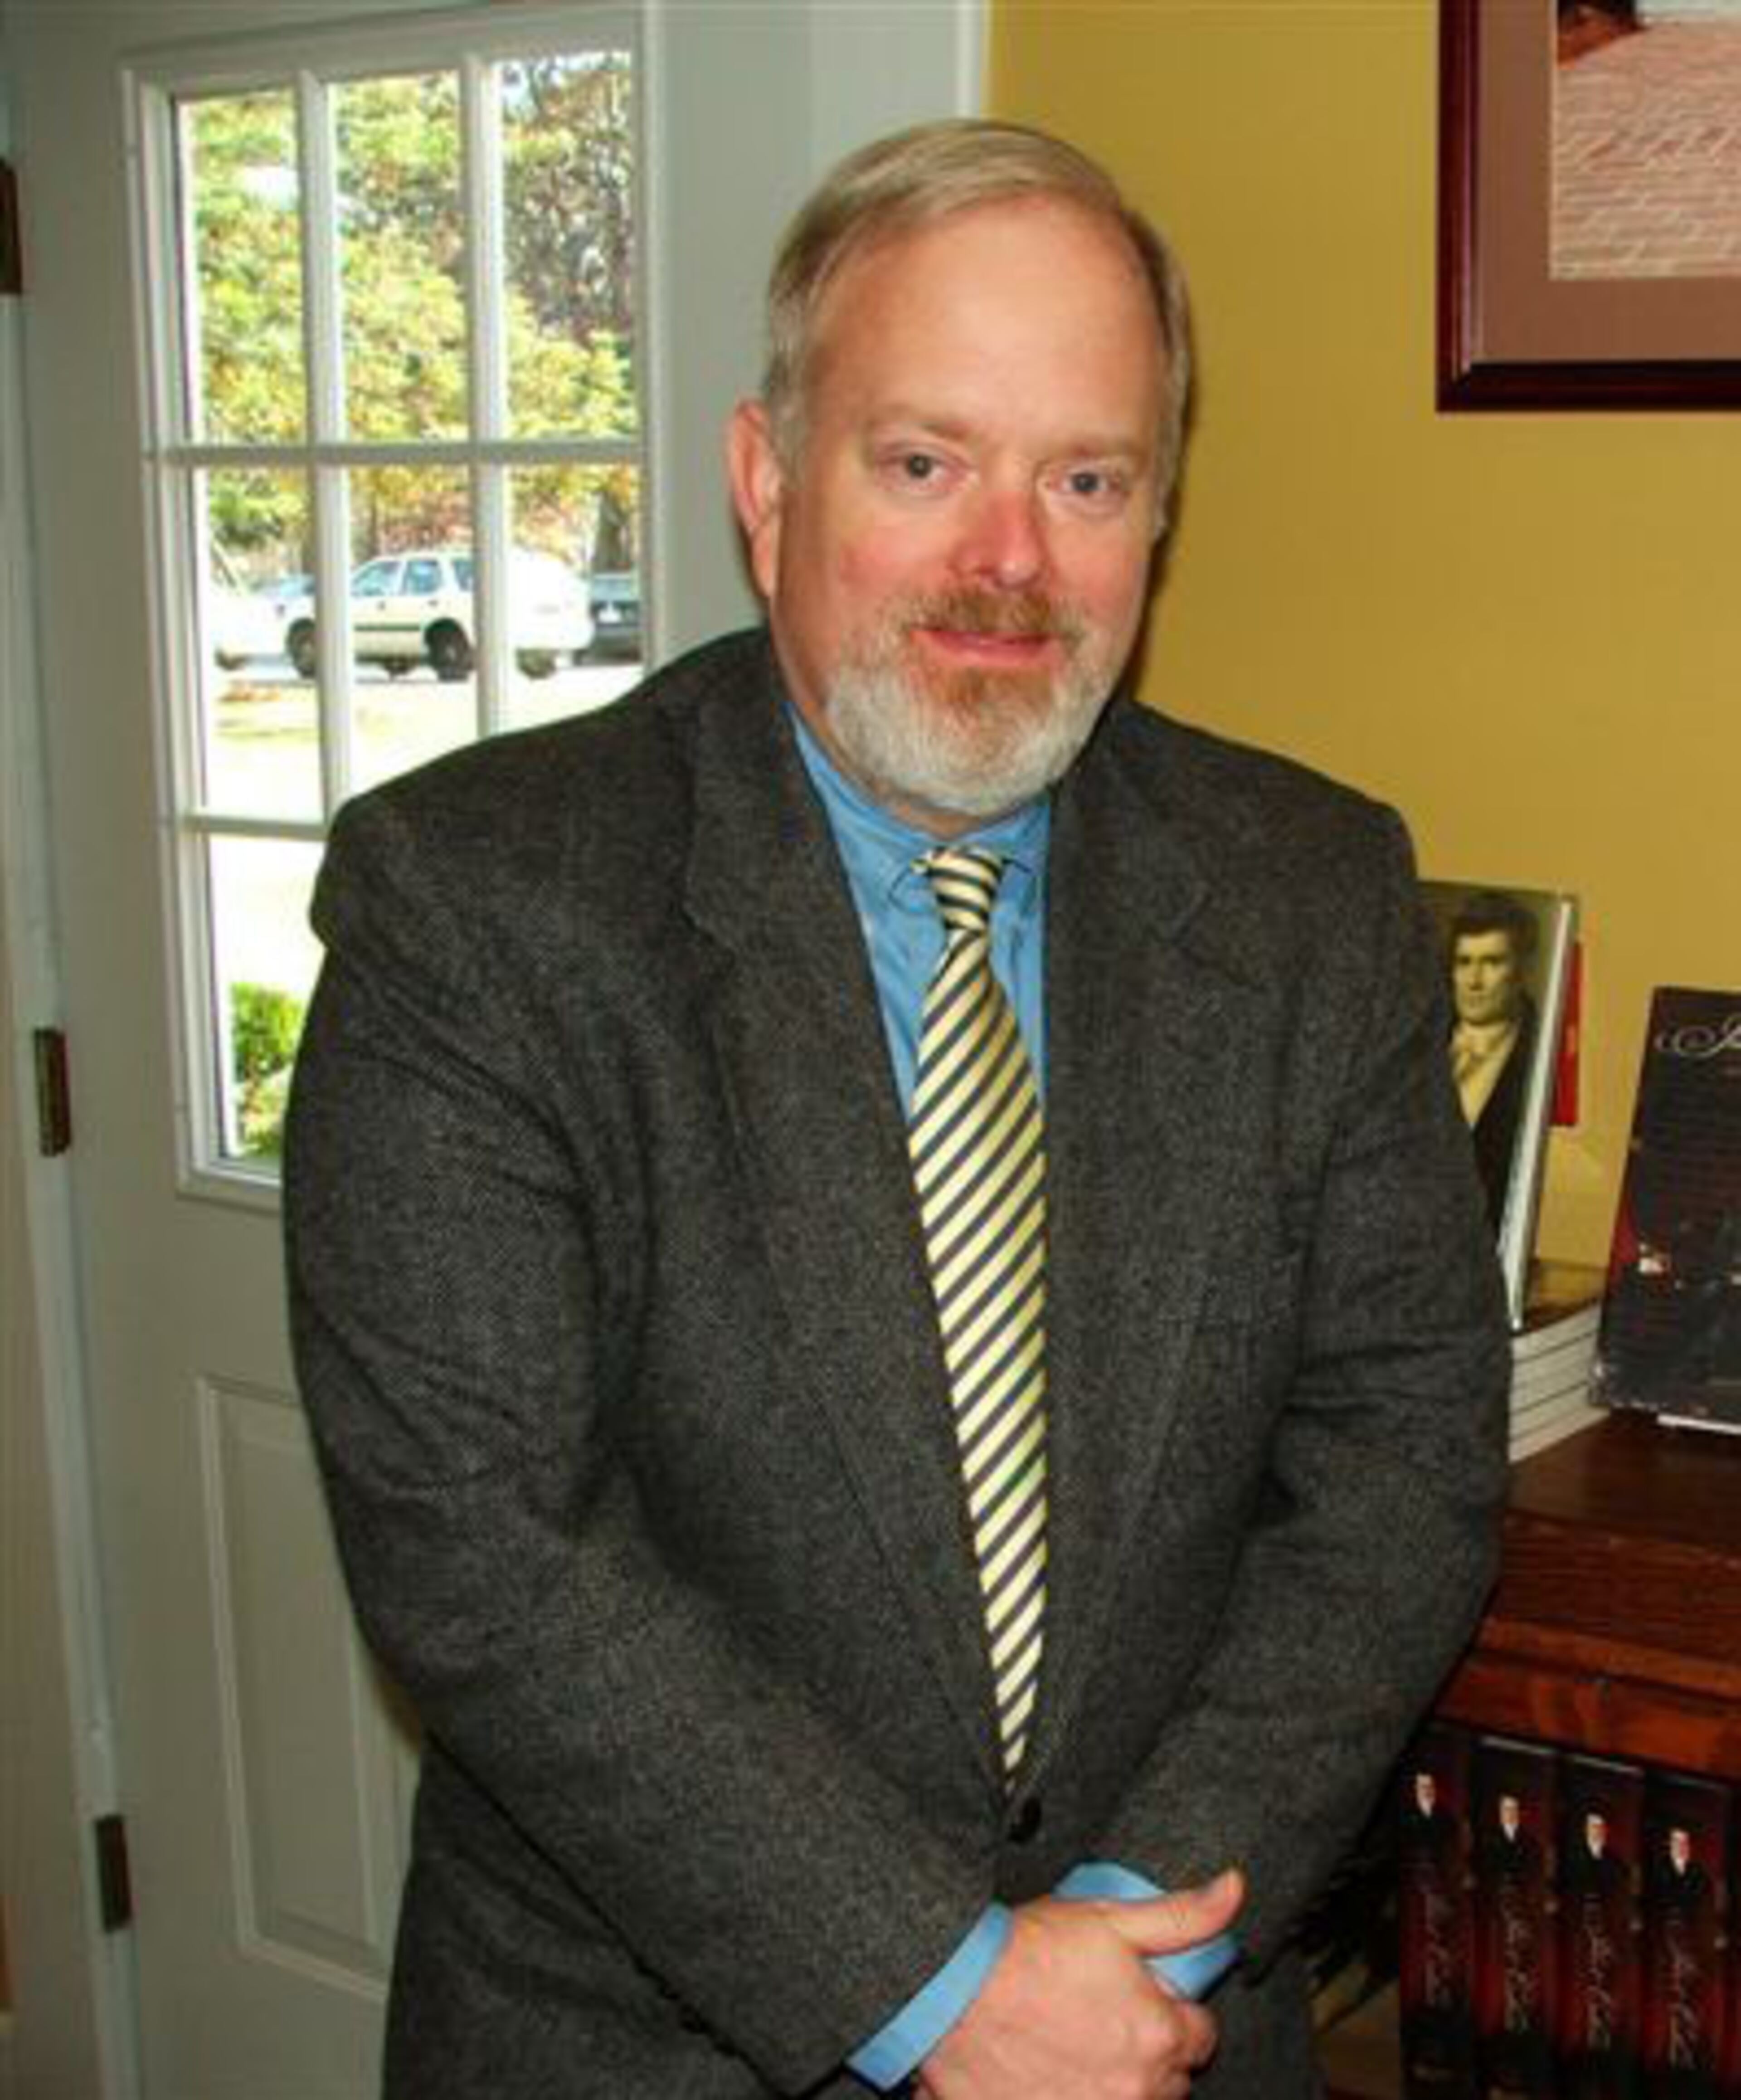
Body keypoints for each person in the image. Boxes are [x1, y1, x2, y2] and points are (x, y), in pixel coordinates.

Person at [284, 119, 1508, 2100]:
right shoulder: (480, 905)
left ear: (1157, 513)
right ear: (767, 482)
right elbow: (482, 1542)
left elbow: (1399, 1457)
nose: (1010, 560)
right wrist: (946, 1988)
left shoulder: (1313, 891)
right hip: (649, 2046)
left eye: (1085, 479)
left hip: (1167, 2022)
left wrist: (1129, 1939)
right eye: (925, 462)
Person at [1445, 891, 1539, 1233]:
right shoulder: (1413, 1038)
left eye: (1493, 962)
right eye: (1464, 962)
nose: (1474, 982)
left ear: (1520, 970)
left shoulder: (1538, 1054)